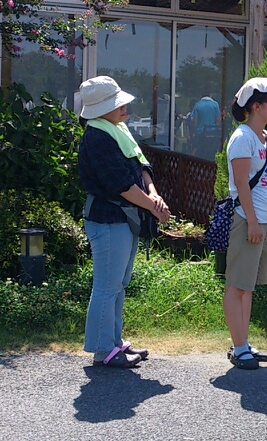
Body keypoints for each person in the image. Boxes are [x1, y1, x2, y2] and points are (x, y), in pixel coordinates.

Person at [78, 75, 171, 368]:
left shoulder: (116, 130)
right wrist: (154, 207)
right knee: (107, 286)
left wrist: (154, 195)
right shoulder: (97, 137)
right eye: (116, 103)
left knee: (118, 284)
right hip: (107, 219)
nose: (124, 107)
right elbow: (121, 185)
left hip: (123, 219)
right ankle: (104, 348)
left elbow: (141, 166)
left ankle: (114, 343)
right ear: (100, 109)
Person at [223, 77, 267, 370]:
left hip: (264, 219)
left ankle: (243, 343)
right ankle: (238, 348)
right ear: (256, 106)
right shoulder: (242, 138)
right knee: (237, 285)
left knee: (248, 287)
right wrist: (252, 222)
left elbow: (266, 181)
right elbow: (240, 184)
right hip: (248, 219)